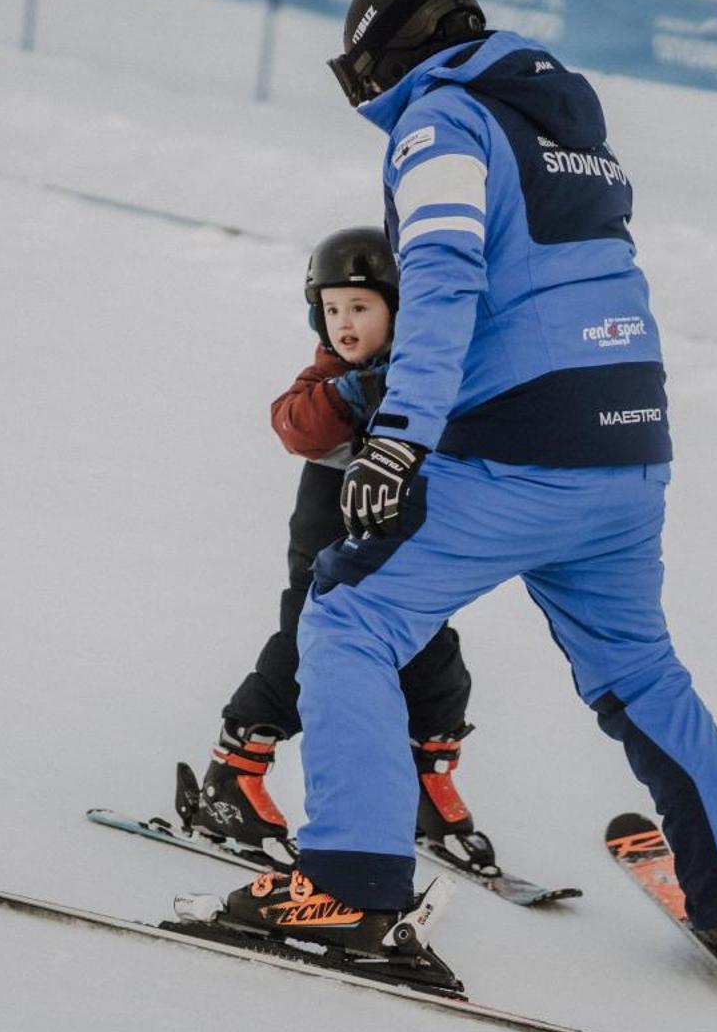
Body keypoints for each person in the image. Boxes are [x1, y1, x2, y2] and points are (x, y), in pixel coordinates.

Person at [206, 0, 717, 1005]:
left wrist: (397, 434)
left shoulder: (439, 121)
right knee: (639, 670)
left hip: (519, 446)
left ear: (387, 52)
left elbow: (440, 274)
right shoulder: (561, 122)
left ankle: (347, 885)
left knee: (344, 612)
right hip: (628, 448)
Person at [178, 227, 490, 873]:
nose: (344, 323)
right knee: (300, 657)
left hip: (406, 560)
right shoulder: (333, 375)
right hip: (328, 560)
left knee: (437, 664)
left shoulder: (432, 376)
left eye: (361, 307)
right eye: (332, 308)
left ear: (401, 309)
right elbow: (294, 423)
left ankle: (424, 781)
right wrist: (352, 393)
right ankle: (233, 777)